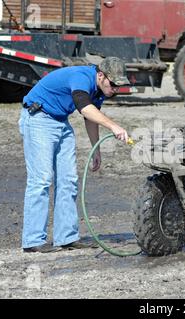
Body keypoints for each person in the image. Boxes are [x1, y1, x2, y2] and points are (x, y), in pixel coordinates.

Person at [18, 57, 130, 253]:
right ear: (101, 75)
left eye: (119, 86)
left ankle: (66, 237)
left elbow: (90, 116)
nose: (115, 89)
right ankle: (33, 240)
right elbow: (84, 107)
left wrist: (96, 149)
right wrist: (114, 126)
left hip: (60, 120)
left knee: (68, 180)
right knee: (41, 180)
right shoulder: (81, 77)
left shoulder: (98, 89)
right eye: (113, 84)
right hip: (38, 119)